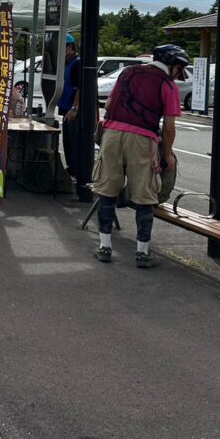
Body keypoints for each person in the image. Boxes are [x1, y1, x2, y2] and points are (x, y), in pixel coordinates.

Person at [91, 44, 188, 268]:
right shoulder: (167, 84)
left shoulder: (127, 73)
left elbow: (111, 103)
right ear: (172, 65)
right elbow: (169, 127)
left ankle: (104, 247)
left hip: (112, 134)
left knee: (107, 190)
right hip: (142, 140)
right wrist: (168, 154)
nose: (178, 72)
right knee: (145, 194)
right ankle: (142, 253)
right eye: (179, 67)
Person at [59, 34, 83, 178]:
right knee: (67, 141)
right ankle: (71, 169)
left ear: (69, 47)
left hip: (72, 109)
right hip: (64, 106)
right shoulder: (66, 62)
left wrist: (75, 108)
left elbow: (80, 87)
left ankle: (77, 171)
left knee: (74, 141)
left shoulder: (77, 63)